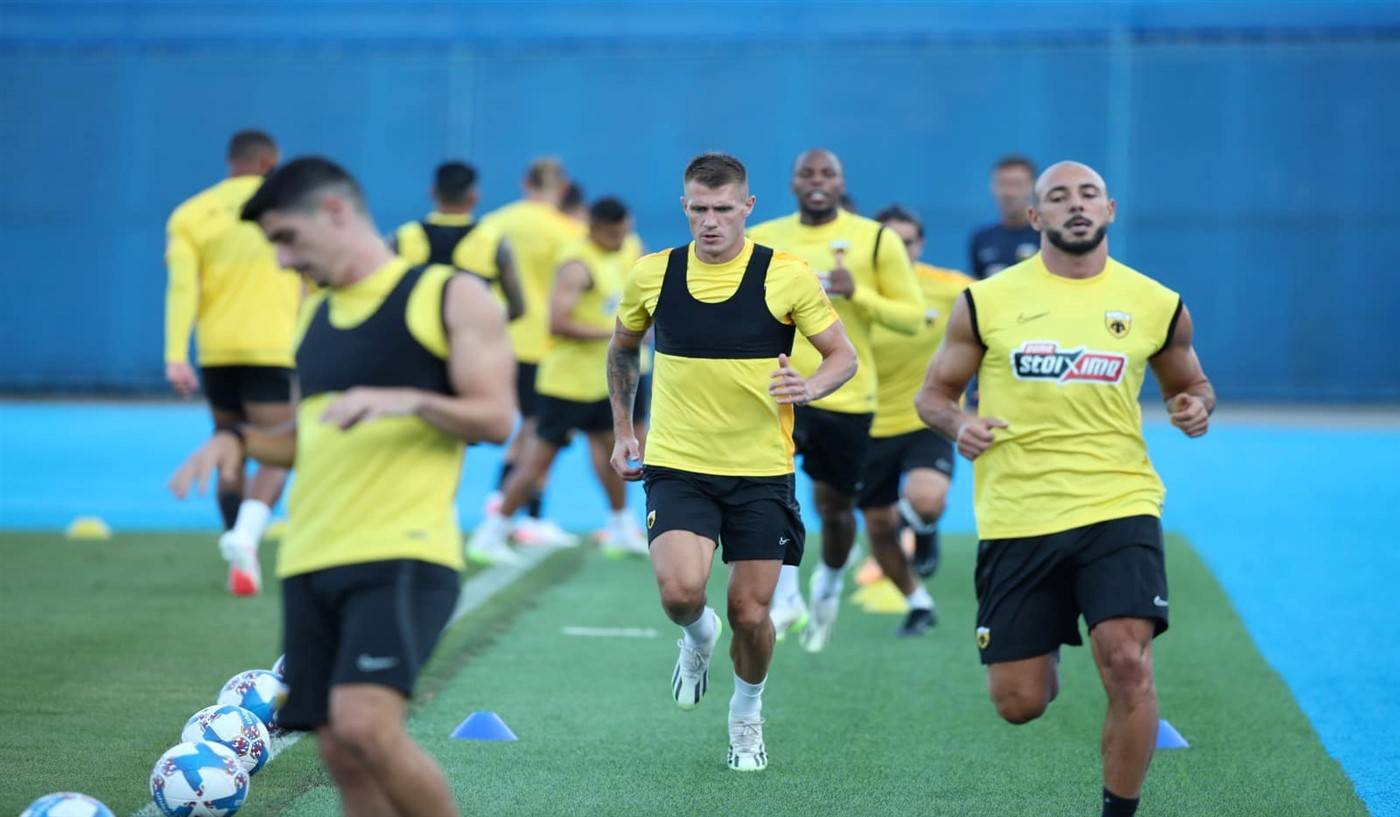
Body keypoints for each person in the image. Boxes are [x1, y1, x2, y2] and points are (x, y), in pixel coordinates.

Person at [169, 157, 515, 817]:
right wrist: (238, 439)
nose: (281, 260)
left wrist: (407, 399)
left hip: (400, 551)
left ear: (334, 212)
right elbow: (304, 437)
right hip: (309, 558)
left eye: (286, 239)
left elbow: (496, 417)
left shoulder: (447, 295)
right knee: (338, 748)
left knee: (365, 726)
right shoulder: (313, 315)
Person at [915, 161, 1214, 817]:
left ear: (1109, 209)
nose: (1075, 205)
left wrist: (1194, 406)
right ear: (1035, 216)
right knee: (1019, 702)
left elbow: (1190, 383)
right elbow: (933, 395)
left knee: (1128, 662)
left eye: (1087, 195)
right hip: (1018, 512)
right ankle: (1044, 641)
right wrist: (960, 423)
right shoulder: (985, 301)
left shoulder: (1155, 302)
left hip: (1119, 501)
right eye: (1058, 197)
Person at [607, 153, 856, 771]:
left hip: (761, 470)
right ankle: (697, 638)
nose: (710, 221)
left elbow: (842, 357)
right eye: (699, 209)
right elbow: (623, 348)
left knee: (750, 612)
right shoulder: (653, 273)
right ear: (684, 207)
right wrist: (623, 431)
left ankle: (746, 714)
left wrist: (810, 387)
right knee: (679, 594)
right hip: (678, 462)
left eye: (723, 209)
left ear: (748, 207)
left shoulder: (786, 275)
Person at [748, 149, 923, 652]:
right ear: (792, 183)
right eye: (807, 173)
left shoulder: (876, 239)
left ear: (842, 183)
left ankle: (827, 581)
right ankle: (786, 596)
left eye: (828, 173)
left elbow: (912, 318)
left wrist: (858, 293)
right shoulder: (765, 238)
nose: (817, 181)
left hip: (844, 392)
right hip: (779, 387)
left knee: (836, 509)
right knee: (772, 491)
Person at [467, 197, 648, 564]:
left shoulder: (629, 247)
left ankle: (619, 526)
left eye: (624, 232)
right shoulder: (576, 265)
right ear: (593, 229)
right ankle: (493, 531)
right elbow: (558, 322)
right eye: (612, 235)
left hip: (607, 379)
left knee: (614, 453)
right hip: (569, 383)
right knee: (537, 460)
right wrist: (617, 335)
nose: (620, 240)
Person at [164, 129, 302, 596]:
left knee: (229, 446)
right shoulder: (285, 207)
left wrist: (175, 354)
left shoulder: (191, 213)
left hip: (217, 352)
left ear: (232, 161)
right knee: (277, 447)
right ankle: (246, 535)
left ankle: (237, 554)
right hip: (274, 346)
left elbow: (182, 287)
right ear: (267, 161)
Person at [856, 205, 972, 635]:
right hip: (867, 423)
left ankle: (923, 527)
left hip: (927, 417)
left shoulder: (952, 288)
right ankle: (918, 601)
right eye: (890, 243)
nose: (900, 251)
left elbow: (1001, 317)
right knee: (879, 528)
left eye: (907, 242)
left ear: (920, 245)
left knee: (926, 500)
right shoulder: (853, 292)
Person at [480, 157, 587, 547]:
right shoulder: (570, 231)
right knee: (542, 434)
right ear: (562, 188)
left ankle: (504, 505)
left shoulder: (494, 223)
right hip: (544, 345)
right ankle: (526, 514)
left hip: (497, 338)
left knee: (527, 430)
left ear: (526, 184)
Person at [390, 161, 524, 320]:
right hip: (470, 332)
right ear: (474, 197)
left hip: (411, 332)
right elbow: (517, 307)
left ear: (433, 192)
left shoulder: (402, 238)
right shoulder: (494, 243)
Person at [968, 155, 1040, 279]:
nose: (1008, 192)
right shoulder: (981, 238)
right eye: (1002, 184)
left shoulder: (1047, 236)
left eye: (1016, 184)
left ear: (1034, 187)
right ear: (992, 187)